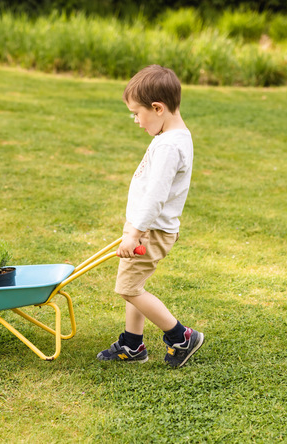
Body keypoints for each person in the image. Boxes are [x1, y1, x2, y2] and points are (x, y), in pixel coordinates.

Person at [97, 65, 204, 368]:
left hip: (150, 231)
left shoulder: (170, 145)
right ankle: (132, 345)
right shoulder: (173, 136)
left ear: (158, 108)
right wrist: (133, 227)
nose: (135, 120)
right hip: (144, 228)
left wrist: (134, 233)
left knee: (128, 289)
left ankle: (181, 336)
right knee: (135, 286)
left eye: (136, 113)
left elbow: (156, 195)